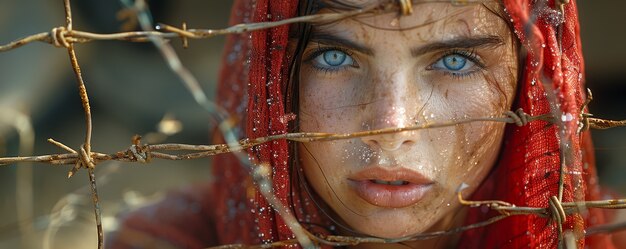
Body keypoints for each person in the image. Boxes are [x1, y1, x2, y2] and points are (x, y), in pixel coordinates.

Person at [107, 0, 618, 248]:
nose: (391, 127)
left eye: (456, 60)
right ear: (269, 73)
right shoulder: (173, 241)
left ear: (531, 81)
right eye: (332, 57)